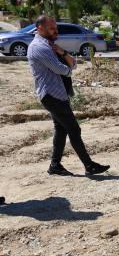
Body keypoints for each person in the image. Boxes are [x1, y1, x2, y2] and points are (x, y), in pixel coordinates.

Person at [27, 15, 109, 176]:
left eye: (56, 28)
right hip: (51, 95)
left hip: (57, 94)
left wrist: (63, 53)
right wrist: (68, 66)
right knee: (74, 129)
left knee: (61, 129)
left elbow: (73, 63)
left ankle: (55, 165)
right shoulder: (39, 47)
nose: (56, 31)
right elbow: (62, 69)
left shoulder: (50, 45)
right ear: (40, 28)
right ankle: (89, 165)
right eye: (52, 28)